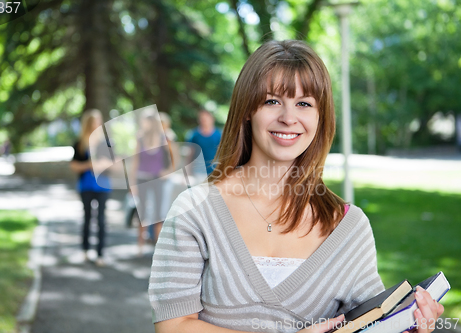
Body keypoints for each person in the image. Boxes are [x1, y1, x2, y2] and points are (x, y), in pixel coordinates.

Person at [148, 40, 443, 333]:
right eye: (272, 101)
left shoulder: (349, 227)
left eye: (304, 103)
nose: (288, 118)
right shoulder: (194, 211)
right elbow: (173, 325)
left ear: (320, 116)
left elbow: (370, 323)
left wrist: (409, 327)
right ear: (248, 109)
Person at [70, 109, 111, 267]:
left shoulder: (106, 142)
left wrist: (103, 164)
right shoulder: (80, 143)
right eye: (94, 121)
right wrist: (88, 165)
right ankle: (85, 250)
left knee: (101, 219)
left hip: (103, 186)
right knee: (87, 218)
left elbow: (113, 164)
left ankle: (100, 253)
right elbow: (74, 165)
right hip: (86, 185)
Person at [130, 111, 172, 255]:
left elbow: (172, 160)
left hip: (158, 180)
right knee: (142, 212)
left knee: (159, 213)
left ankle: (158, 248)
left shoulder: (163, 138)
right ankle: (140, 246)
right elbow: (135, 162)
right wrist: (132, 183)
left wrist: (166, 172)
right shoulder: (140, 138)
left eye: (146, 121)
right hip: (142, 178)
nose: (143, 123)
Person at [186, 109, 222, 175]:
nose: (204, 120)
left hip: (215, 170)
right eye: (202, 118)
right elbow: (190, 154)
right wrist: (187, 172)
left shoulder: (219, 135)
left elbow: (223, 154)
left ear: (212, 119)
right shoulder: (194, 135)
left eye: (206, 118)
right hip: (198, 171)